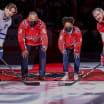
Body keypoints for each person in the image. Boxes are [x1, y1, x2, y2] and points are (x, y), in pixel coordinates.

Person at [18, 11, 48, 81]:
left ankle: (42, 75)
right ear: (27, 18)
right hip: (28, 42)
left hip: (39, 42)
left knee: (43, 56)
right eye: (31, 20)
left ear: (37, 19)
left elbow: (44, 35)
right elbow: (20, 37)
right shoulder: (23, 23)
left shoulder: (41, 23)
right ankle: (24, 74)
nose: (33, 22)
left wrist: (45, 45)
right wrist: (23, 48)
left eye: (34, 20)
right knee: (24, 56)